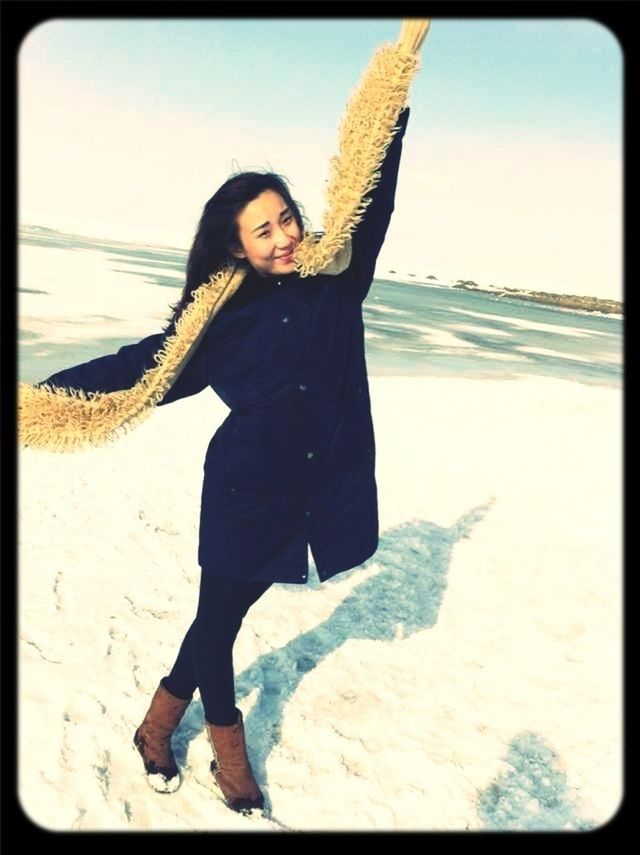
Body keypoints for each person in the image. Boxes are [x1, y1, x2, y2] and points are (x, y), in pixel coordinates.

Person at [24, 20, 430, 817]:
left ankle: (157, 720)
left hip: (315, 485)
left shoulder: (337, 281)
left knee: (225, 614)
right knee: (219, 621)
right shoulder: (219, 321)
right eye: (263, 229)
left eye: (287, 219)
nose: (284, 237)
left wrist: (397, 87)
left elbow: (372, 192)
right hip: (245, 488)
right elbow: (140, 366)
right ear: (237, 245)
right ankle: (224, 743)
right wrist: (40, 395)